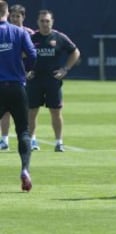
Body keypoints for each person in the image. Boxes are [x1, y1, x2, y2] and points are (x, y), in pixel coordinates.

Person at [27, 9, 80, 152]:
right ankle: (31, 141)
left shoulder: (59, 37)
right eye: (42, 21)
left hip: (53, 81)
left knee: (55, 111)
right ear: (37, 22)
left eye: (47, 21)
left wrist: (65, 69)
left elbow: (75, 52)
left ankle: (59, 142)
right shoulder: (31, 38)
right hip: (34, 80)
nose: (45, 24)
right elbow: (19, 55)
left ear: (52, 22)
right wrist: (25, 71)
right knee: (31, 112)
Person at [0, 0, 37, 191]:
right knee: (23, 130)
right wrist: (27, 70)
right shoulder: (20, 32)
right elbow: (32, 54)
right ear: (7, 13)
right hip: (16, 86)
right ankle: (25, 169)